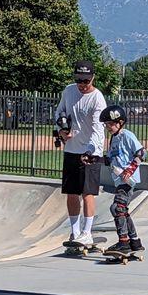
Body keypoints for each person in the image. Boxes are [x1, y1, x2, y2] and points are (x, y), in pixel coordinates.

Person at [55, 60, 107, 245]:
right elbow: (59, 111)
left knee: (87, 193)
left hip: (90, 152)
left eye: (86, 81)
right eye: (79, 81)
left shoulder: (97, 99)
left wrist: (90, 151)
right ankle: (75, 232)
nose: (82, 85)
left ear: (93, 78)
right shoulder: (69, 91)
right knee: (71, 193)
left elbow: (98, 130)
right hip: (71, 150)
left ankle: (87, 232)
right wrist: (61, 129)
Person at [83, 105, 146, 253]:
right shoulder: (114, 139)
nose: (108, 127)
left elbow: (142, 153)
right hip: (119, 181)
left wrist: (130, 170)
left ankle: (123, 242)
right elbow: (110, 160)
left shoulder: (127, 135)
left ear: (121, 122)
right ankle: (135, 241)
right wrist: (93, 159)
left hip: (128, 181)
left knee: (117, 208)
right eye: (106, 125)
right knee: (122, 210)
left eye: (111, 124)